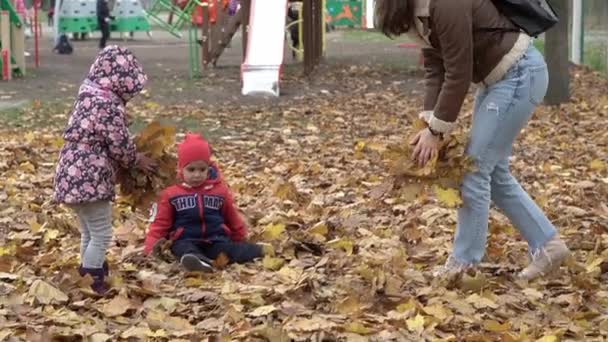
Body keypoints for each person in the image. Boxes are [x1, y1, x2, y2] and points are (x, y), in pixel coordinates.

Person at [375, 0, 570, 280]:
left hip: (518, 74)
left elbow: (458, 72)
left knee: (474, 169)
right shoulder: (418, 11)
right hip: (497, 81)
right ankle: (549, 245)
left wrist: (436, 132)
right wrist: (428, 123)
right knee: (493, 172)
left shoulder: (445, 5)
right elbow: (436, 69)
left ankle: (463, 264)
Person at [53, 46, 155, 294]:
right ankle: (93, 278)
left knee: (89, 230)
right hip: (91, 175)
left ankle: (88, 269)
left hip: (69, 169)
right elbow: (118, 143)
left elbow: (94, 126)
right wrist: (135, 160)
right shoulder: (109, 105)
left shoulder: (88, 94)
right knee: (102, 233)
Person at [143, 133, 263, 272]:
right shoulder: (171, 195)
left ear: (208, 168)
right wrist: (149, 249)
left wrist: (240, 238)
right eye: (191, 169)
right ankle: (198, 262)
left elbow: (232, 219)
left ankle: (263, 251)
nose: (197, 175)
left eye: (202, 169)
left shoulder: (219, 192)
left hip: (215, 240)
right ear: (181, 169)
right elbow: (160, 225)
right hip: (185, 240)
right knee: (182, 249)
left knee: (233, 250)